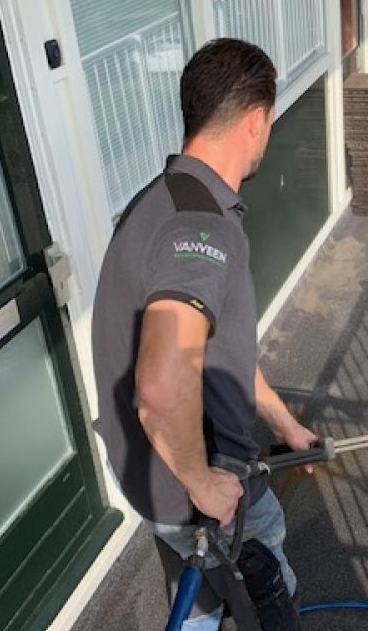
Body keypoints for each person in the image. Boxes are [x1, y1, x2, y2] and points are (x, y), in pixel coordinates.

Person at [92, 38, 316, 629]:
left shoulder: (158, 200)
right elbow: (161, 387)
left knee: (199, 602)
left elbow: (219, 352)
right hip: (200, 493)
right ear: (256, 120)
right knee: (270, 603)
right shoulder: (202, 229)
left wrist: (284, 425)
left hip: (150, 476)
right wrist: (201, 484)